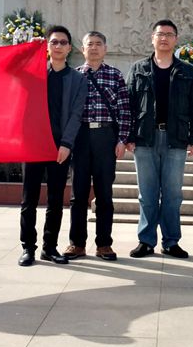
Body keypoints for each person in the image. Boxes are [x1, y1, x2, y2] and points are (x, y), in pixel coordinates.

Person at [126, 19, 193, 259]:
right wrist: (128, 136)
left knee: (172, 195)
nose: (164, 38)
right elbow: (128, 104)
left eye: (169, 34)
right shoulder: (138, 68)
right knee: (147, 194)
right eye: (160, 34)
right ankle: (146, 241)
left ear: (176, 40)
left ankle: (171, 241)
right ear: (152, 38)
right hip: (145, 139)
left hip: (175, 139)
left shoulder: (187, 71)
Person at [19, 25, 87, 267]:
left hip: (59, 146)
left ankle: (49, 248)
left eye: (63, 42)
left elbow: (77, 114)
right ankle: (28, 247)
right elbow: (7, 69)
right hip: (33, 144)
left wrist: (66, 144)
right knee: (29, 199)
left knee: (56, 200)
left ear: (69, 48)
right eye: (53, 42)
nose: (58, 46)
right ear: (47, 46)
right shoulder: (34, 73)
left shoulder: (78, 79)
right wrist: (29, 48)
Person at [63, 31, 131, 261]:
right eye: (89, 44)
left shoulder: (115, 75)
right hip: (80, 138)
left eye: (98, 44)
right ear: (82, 49)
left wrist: (121, 139)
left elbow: (124, 110)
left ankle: (104, 244)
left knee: (104, 194)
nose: (93, 48)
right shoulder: (73, 75)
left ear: (105, 48)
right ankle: (77, 244)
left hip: (105, 137)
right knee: (78, 194)